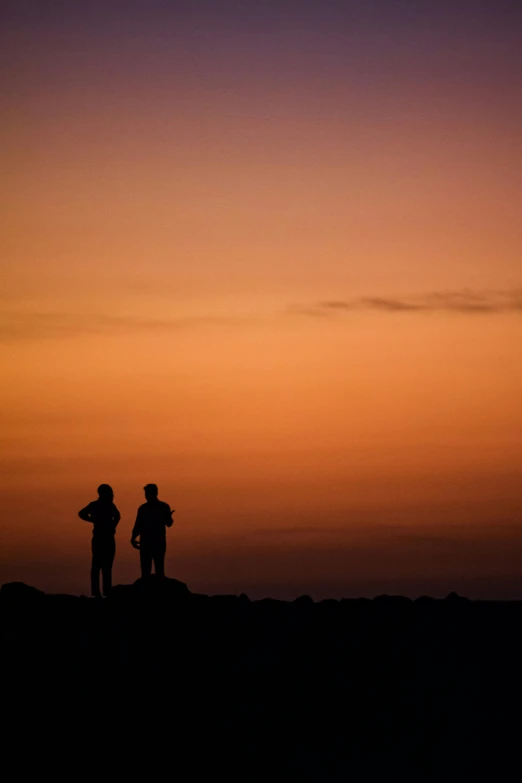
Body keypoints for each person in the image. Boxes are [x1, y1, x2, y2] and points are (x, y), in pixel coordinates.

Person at [78, 484, 120, 597]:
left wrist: (93, 520)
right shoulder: (106, 505)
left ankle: (98, 592)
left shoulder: (98, 505)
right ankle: (104, 592)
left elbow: (81, 514)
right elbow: (118, 516)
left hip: (101, 537)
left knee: (98, 565)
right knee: (104, 566)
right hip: (105, 537)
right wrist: (111, 525)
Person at [131, 483, 174, 579]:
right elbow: (169, 523)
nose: (146, 496)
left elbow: (138, 525)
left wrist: (133, 538)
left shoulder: (144, 508)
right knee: (156, 569)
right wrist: (133, 538)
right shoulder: (163, 507)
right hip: (155, 542)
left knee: (149, 570)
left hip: (149, 542)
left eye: (147, 493)